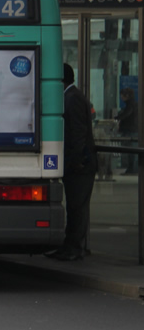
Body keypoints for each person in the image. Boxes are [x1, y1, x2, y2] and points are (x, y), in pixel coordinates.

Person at [48, 63, 97, 261]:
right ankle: (71, 246)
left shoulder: (72, 98)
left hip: (80, 164)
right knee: (75, 207)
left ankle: (74, 248)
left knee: (77, 207)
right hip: (77, 163)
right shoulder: (71, 96)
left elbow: (78, 134)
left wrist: (76, 161)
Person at [116, 87, 138, 174]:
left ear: (127, 96)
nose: (121, 97)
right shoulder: (134, 104)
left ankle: (132, 169)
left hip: (130, 130)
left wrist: (117, 118)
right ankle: (132, 169)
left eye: (122, 95)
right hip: (133, 130)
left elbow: (126, 114)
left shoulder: (130, 105)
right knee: (132, 152)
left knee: (131, 152)